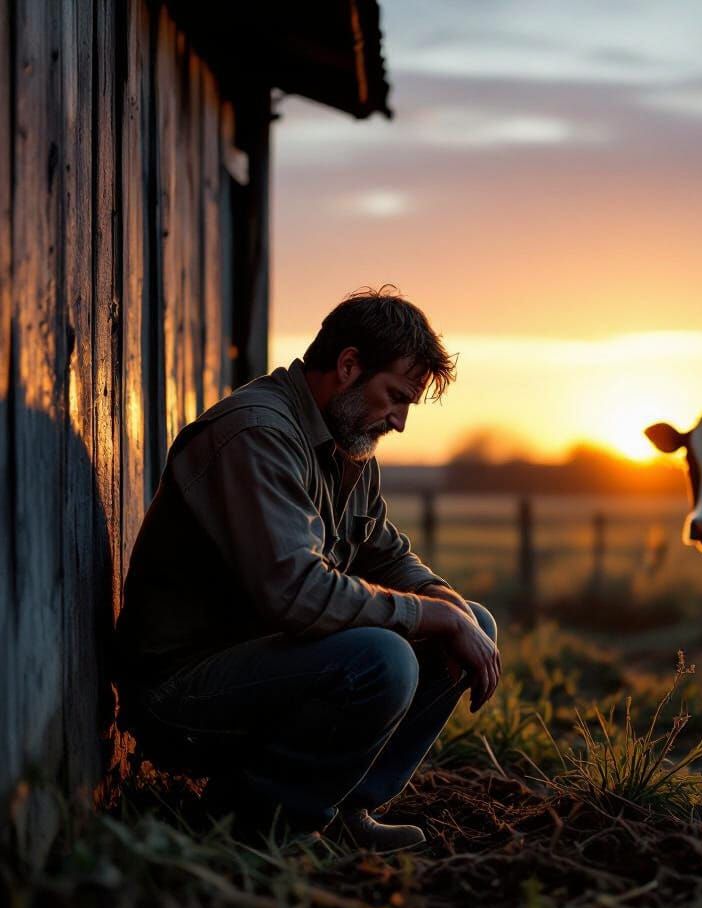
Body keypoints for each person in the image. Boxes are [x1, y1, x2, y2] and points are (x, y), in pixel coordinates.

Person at [114, 287, 501, 851]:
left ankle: (342, 807)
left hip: (264, 666)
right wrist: (432, 618)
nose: (398, 422)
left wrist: (448, 605)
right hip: (181, 695)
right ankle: (258, 822)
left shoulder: (345, 442)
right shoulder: (259, 434)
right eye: (395, 396)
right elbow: (296, 595)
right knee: (383, 657)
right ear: (348, 366)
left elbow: (384, 551)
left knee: (474, 621)